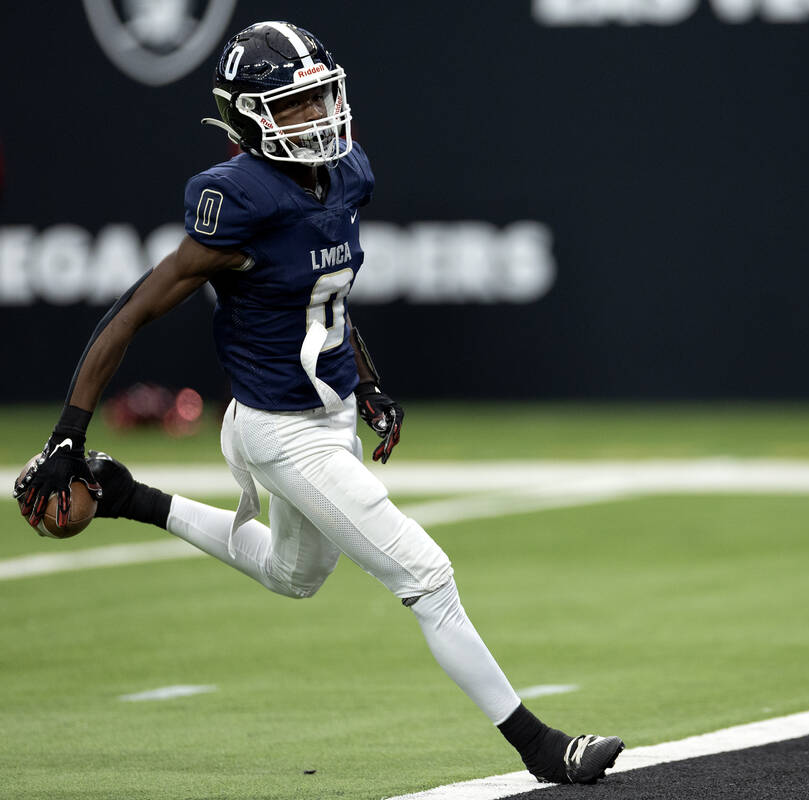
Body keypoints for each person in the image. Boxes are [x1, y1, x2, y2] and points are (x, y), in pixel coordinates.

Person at [12, 20, 622, 787]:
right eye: (296, 106)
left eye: (321, 98)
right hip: (279, 429)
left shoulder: (343, 174)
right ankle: (543, 748)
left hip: (324, 412)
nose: (318, 117)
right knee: (428, 576)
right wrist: (68, 429)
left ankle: (126, 494)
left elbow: (323, 292)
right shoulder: (236, 202)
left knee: (294, 577)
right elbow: (132, 312)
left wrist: (365, 380)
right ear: (248, 118)